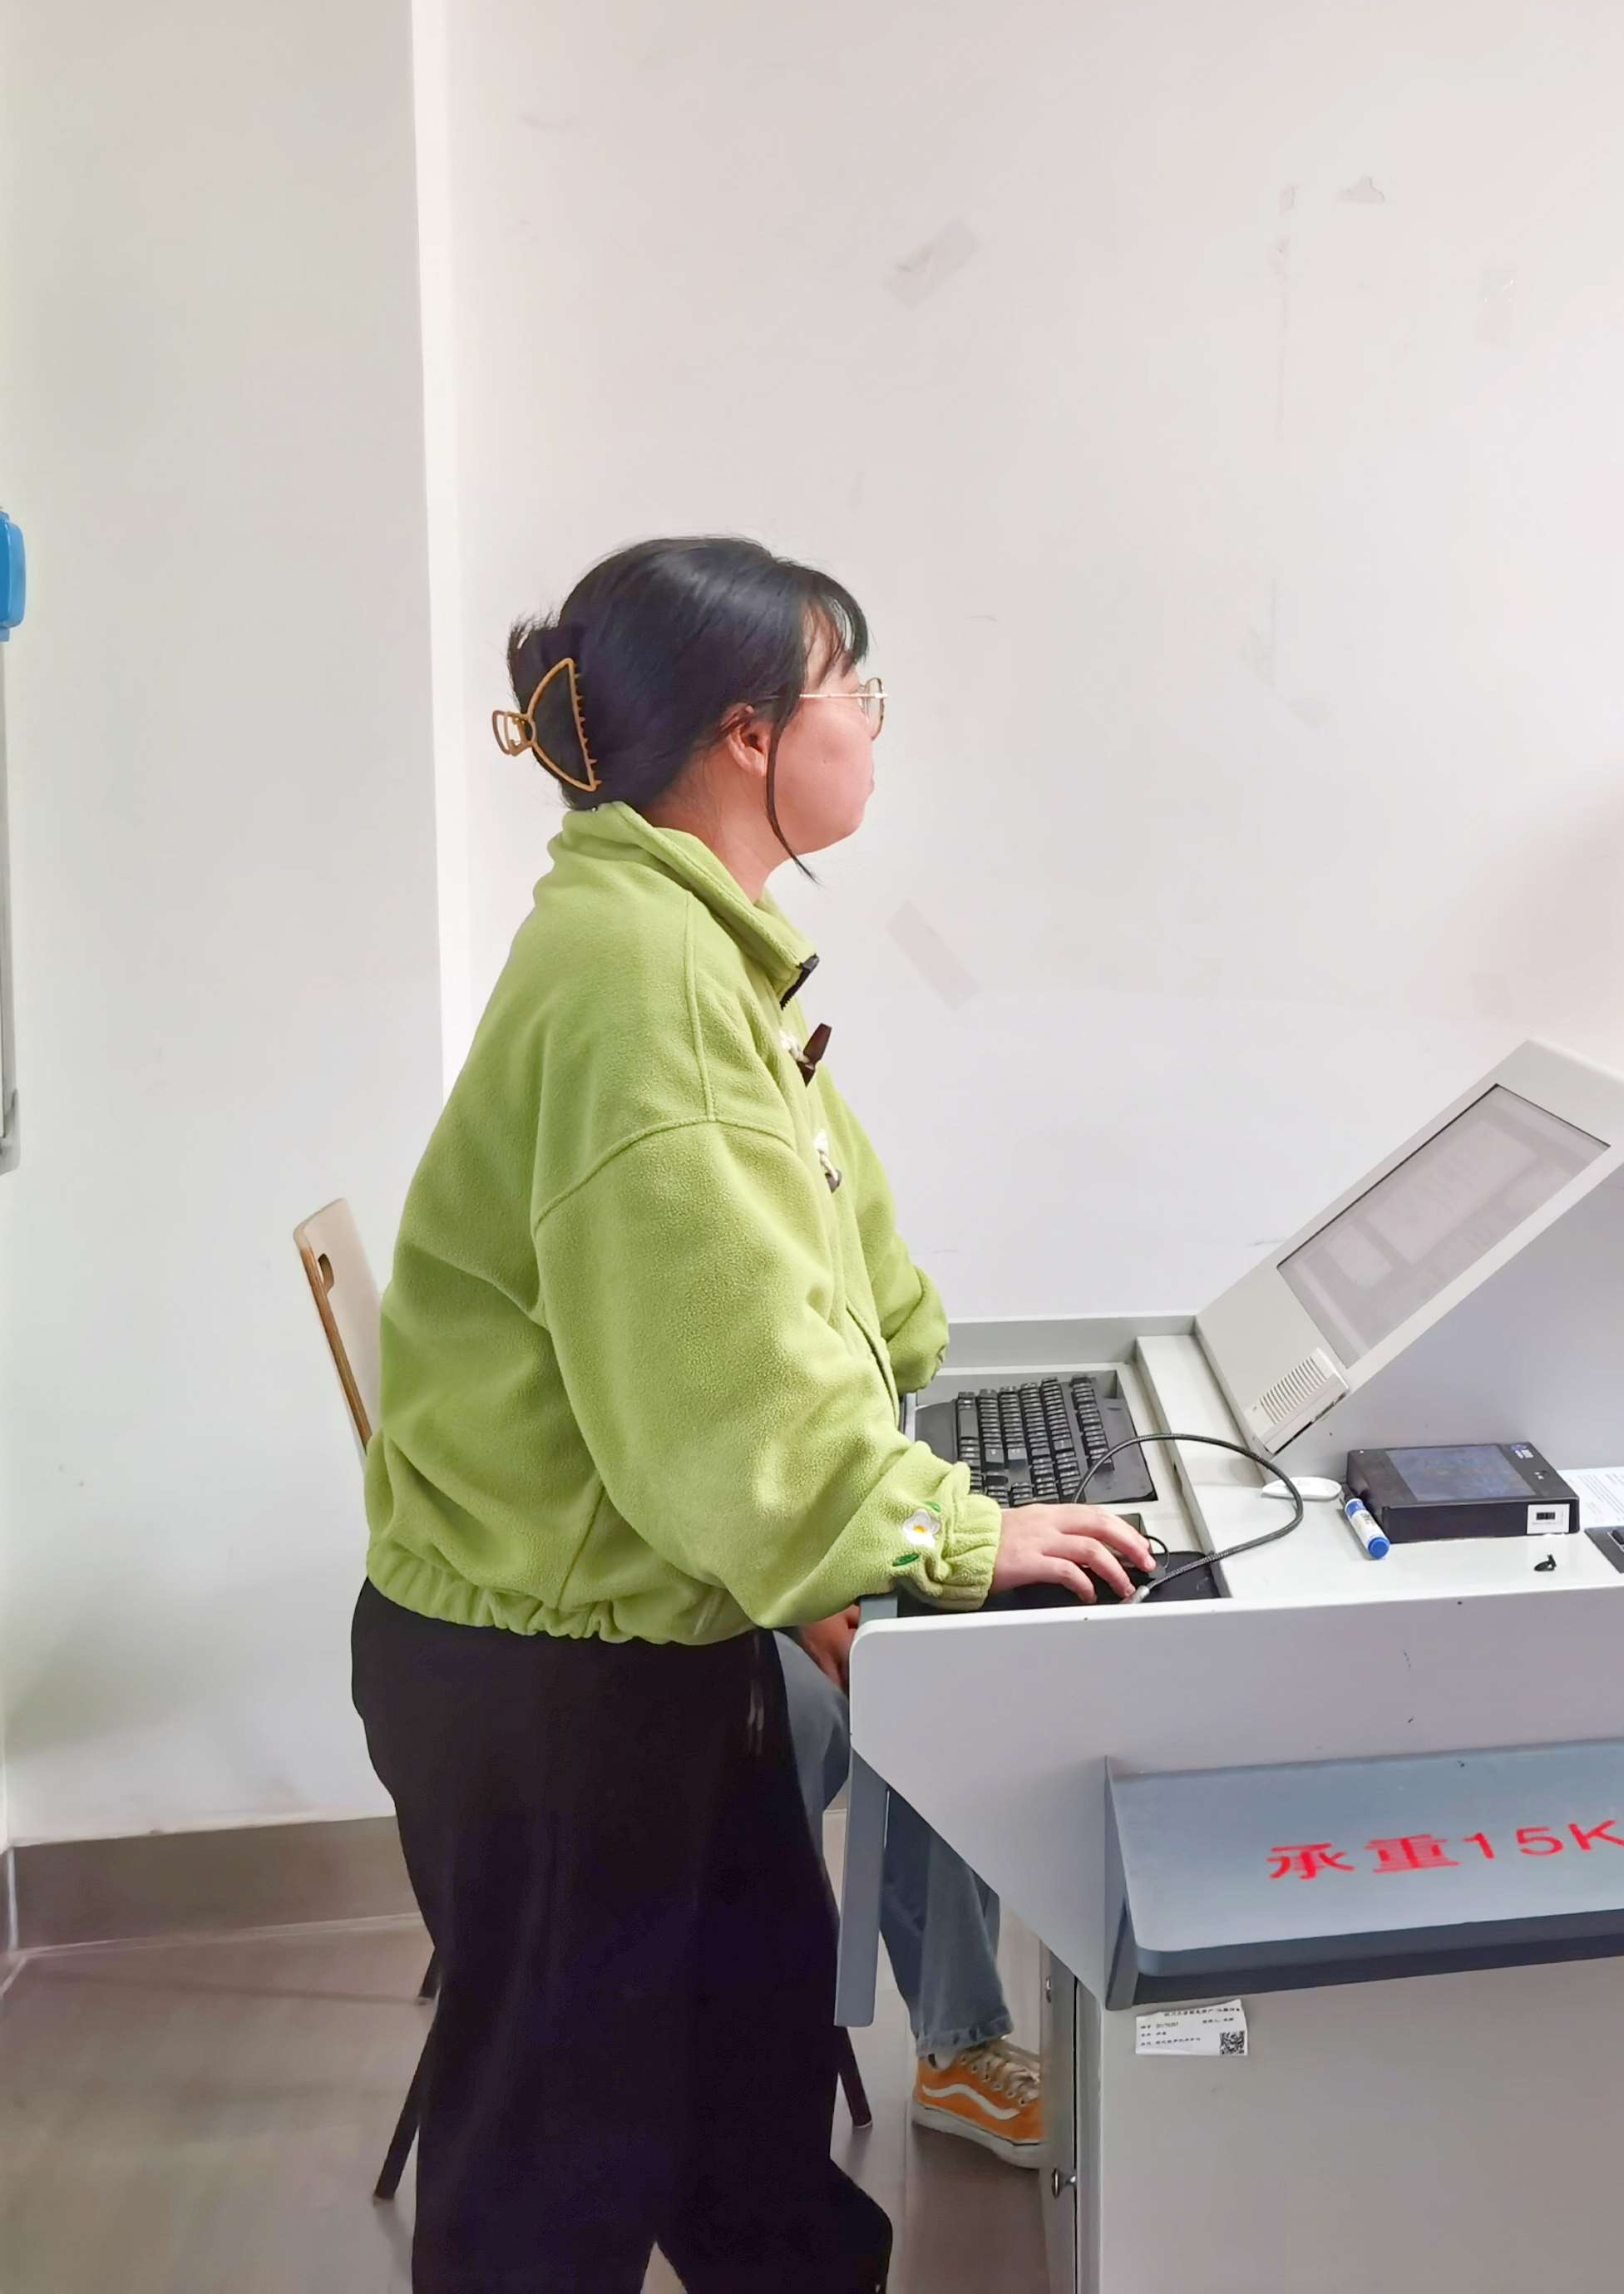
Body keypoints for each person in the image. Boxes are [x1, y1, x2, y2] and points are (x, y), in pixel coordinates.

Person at [357, 538, 1155, 2293]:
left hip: (643, 1631)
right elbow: (721, 1399)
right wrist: (937, 1534)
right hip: (556, 1677)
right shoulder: (643, 981)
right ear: (747, 734)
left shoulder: (688, 944)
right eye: (849, 689)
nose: (869, 722)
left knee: (743, 2106)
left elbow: (830, 1256)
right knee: (552, 2179)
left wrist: (931, 1448)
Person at [777, 1620, 1045, 2163]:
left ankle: (956, 2046)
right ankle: (758, 2061)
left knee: (928, 1688)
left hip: (784, 1595)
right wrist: (800, 1609)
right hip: (663, 1617)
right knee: (798, 1711)